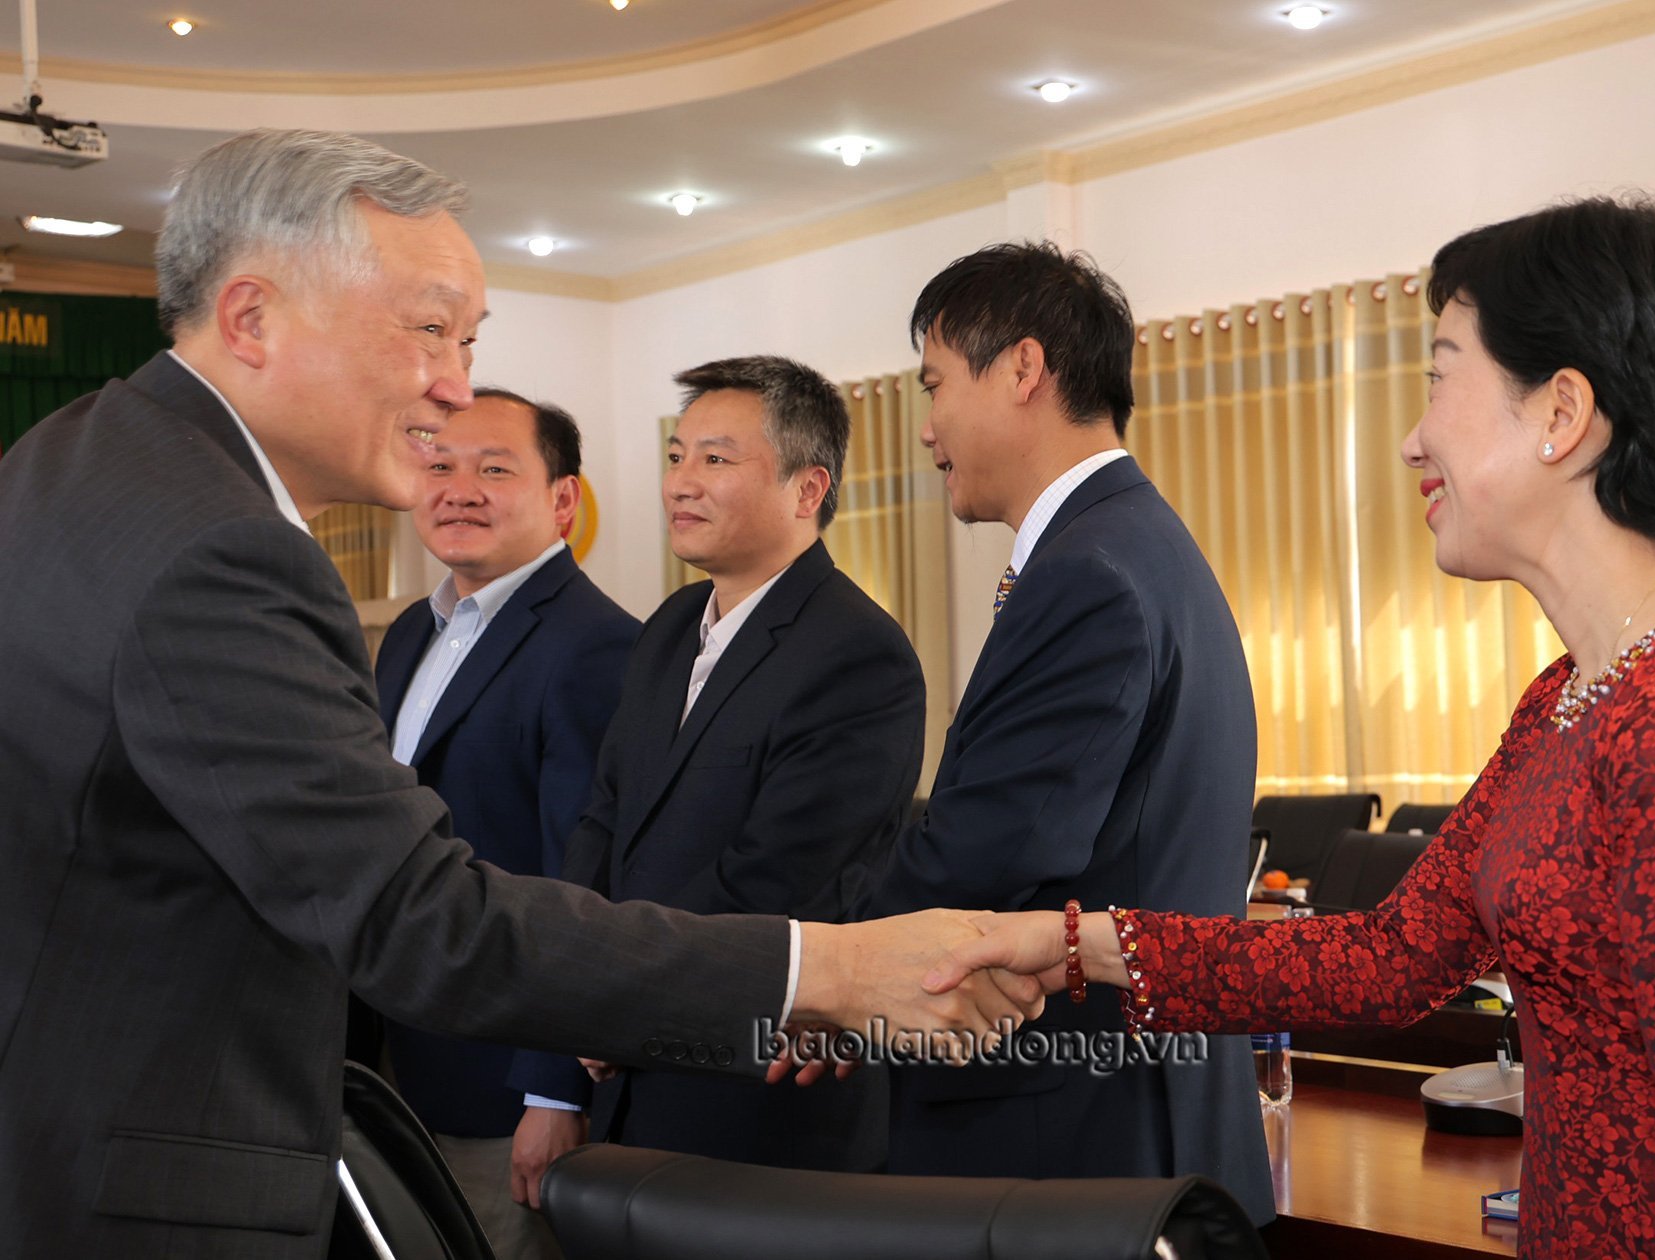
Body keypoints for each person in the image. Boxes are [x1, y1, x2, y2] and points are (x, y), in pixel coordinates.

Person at [0, 128, 1035, 1258]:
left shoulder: (70, 459)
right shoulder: (224, 550)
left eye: (468, 340)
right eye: (430, 331)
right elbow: (421, 917)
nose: (454, 388)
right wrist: (829, 967)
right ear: (251, 319)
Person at [934, 198, 1655, 1258]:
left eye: (1440, 376)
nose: (1411, 437)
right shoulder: (1576, 693)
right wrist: (1068, 944)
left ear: (1560, 413)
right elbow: (1384, 962)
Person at [854, 242, 1272, 1224]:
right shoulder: (1139, 544)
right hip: (1138, 1108)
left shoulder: (1089, 571)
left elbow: (990, 847)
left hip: (1077, 1125)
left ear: (1023, 371)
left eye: (935, 385)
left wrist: (826, 974)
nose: (926, 429)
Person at [565, 355, 924, 1172]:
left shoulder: (858, 653)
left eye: (716, 459)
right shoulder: (668, 627)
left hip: (752, 1094)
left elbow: (779, 879)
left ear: (807, 489)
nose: (681, 483)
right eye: (676, 456)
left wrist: (617, 997)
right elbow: (604, 817)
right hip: (624, 1066)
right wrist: (579, 985)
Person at [372, 387, 639, 1255]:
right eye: (440, 465)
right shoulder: (415, 629)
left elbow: (585, 878)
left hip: (503, 1084)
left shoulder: (596, 645)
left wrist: (556, 1092)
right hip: (394, 1064)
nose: (459, 489)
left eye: (494, 469)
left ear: (564, 500)